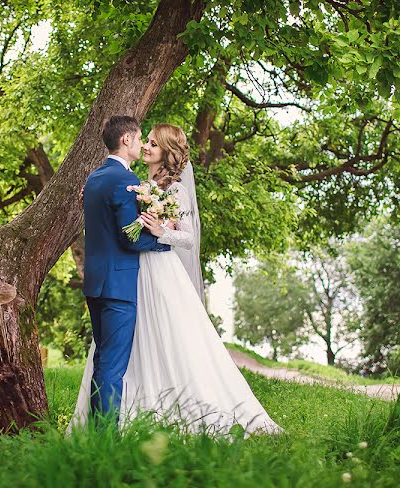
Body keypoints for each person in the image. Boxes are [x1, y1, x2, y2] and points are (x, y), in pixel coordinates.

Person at [70, 122, 282, 437]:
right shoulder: (134, 183)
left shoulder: (175, 189)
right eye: (146, 142)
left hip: (159, 271)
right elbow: (122, 225)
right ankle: (130, 415)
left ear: (167, 152)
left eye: (152, 144)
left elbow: (188, 239)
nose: (146, 147)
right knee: (129, 347)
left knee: (170, 341)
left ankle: (176, 409)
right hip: (133, 274)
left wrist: (161, 232)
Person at [80, 115, 171, 429]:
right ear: (126, 140)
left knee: (102, 360)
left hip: (95, 283)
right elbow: (129, 238)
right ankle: (104, 438)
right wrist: (165, 240)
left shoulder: (94, 178)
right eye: (140, 137)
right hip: (118, 285)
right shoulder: (123, 180)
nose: (143, 142)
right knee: (112, 367)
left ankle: (97, 431)